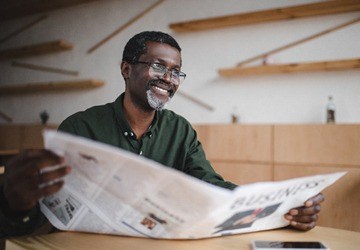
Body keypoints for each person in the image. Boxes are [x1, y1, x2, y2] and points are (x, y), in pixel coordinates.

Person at [0, 31, 324, 237]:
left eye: (176, 71)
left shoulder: (180, 130)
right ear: (127, 69)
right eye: (158, 67)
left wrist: (279, 207)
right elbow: (48, 211)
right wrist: (14, 202)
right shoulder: (81, 128)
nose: (168, 79)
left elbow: (211, 185)